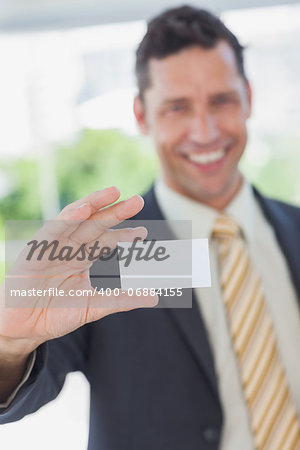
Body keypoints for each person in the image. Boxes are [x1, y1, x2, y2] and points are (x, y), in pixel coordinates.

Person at [0, 5, 300, 450]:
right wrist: (9, 344)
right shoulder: (118, 250)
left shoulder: (295, 230)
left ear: (249, 98)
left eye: (222, 100)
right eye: (178, 107)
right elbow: (25, 390)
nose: (205, 131)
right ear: (142, 115)